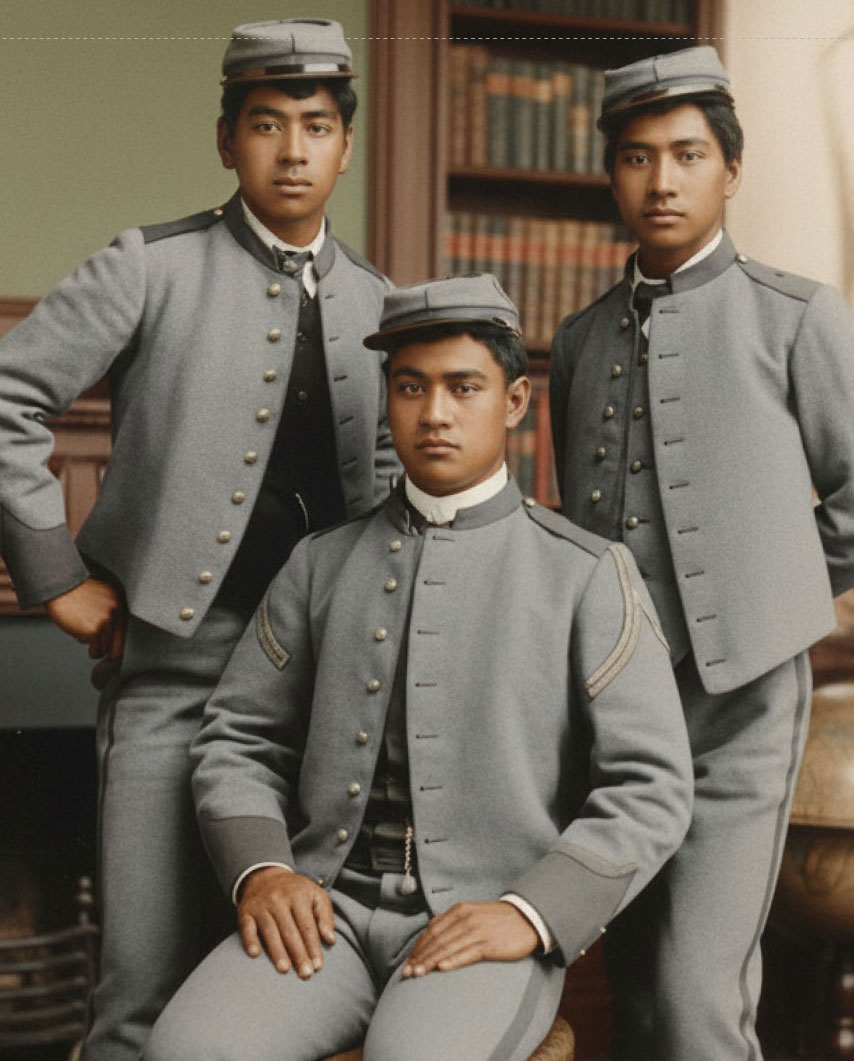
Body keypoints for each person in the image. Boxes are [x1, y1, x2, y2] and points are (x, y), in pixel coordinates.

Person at [143, 274, 692, 1061]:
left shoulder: (586, 574)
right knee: (185, 1052)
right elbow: (238, 737)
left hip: (479, 925)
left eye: (463, 387)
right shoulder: (319, 564)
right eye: (410, 387)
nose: (434, 412)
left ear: (514, 400)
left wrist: (530, 912)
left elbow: (652, 784)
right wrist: (263, 870)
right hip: (322, 914)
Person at [0, 18, 399, 1060]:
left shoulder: (382, 305)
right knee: (138, 990)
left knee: (282, 985)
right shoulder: (150, 267)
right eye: (266, 124)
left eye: (317, 125)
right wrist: (56, 577)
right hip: (170, 676)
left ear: (346, 146)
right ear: (226, 139)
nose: (293, 150)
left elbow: (394, 494)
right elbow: (6, 396)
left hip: (324, 697)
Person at [549, 45, 854, 1061]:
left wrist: (771, 590)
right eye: (637, 157)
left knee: (695, 999)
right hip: (617, 709)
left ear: (730, 168)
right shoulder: (578, 340)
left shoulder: (796, 316)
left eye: (687, 154)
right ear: (612, 176)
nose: (662, 180)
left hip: (742, 704)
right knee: (632, 996)